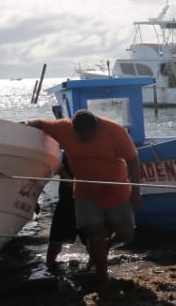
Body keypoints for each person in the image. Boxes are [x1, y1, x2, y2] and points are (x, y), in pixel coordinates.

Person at [25, 110, 141, 286]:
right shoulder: (63, 127)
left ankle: (107, 245)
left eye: (87, 137)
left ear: (96, 129)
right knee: (95, 235)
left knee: (126, 234)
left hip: (116, 190)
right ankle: (102, 276)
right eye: (79, 137)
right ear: (72, 128)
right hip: (85, 191)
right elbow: (39, 123)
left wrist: (136, 191)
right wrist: (22, 126)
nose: (82, 141)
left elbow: (133, 160)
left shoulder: (115, 131)